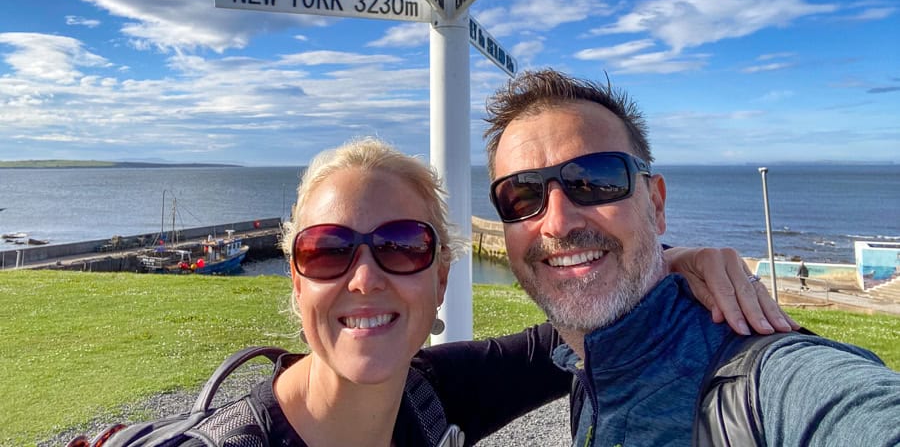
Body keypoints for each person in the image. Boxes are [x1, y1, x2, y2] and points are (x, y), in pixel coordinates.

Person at [68, 137, 792, 447]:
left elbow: (570, 328)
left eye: (402, 246)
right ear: (295, 278)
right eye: (327, 250)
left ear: (441, 277)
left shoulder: (428, 399)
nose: (364, 277)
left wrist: (668, 259)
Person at [483, 68, 900, 446]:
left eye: (596, 181)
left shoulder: (766, 384)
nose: (557, 223)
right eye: (522, 195)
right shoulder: (587, 363)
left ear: (656, 204)